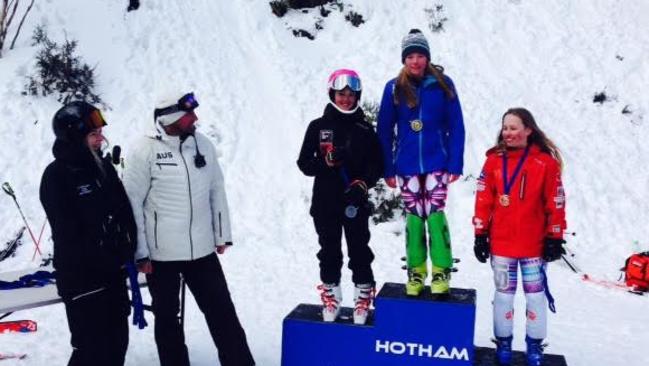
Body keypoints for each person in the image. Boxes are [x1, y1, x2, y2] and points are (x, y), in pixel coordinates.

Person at [122, 91, 255, 366]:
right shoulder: (143, 149)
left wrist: (222, 235)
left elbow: (217, 190)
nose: (195, 118)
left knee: (222, 312)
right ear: (171, 118)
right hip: (161, 256)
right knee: (168, 318)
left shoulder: (202, 144)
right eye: (189, 115)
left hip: (203, 249)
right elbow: (132, 203)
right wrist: (141, 253)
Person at [40, 101, 137, 366]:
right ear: (74, 138)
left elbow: (123, 213)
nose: (101, 139)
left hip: (112, 276)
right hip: (83, 279)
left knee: (117, 344)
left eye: (100, 133)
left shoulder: (103, 168)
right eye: (94, 134)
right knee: (91, 350)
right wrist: (105, 251)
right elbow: (69, 233)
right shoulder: (57, 176)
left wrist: (128, 247)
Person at [472, 108, 567, 366]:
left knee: (535, 296)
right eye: (505, 128)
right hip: (502, 243)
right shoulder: (493, 161)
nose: (508, 133)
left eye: (514, 128)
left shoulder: (545, 163)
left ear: (528, 130)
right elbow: (483, 199)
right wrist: (480, 233)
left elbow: (556, 202)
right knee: (504, 295)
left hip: (533, 245)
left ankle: (534, 346)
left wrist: (555, 236)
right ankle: (503, 344)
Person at [377, 29, 465, 296]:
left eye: (420, 55)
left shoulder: (443, 84)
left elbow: (457, 125)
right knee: (415, 217)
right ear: (404, 59)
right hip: (406, 166)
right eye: (410, 56)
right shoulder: (393, 87)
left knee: (435, 214)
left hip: (437, 162)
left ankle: (441, 269)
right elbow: (384, 130)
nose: (415, 61)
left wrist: (455, 162)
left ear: (427, 57)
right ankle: (416, 271)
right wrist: (388, 167)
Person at [297, 69, 383, 324]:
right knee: (329, 251)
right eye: (340, 94)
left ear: (357, 96)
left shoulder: (365, 129)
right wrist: (325, 162)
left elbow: (376, 166)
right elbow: (304, 164)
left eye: (350, 94)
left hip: (354, 202)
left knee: (359, 250)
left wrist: (363, 184)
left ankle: (362, 297)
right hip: (325, 202)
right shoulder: (318, 126)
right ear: (331, 94)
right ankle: (331, 295)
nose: (346, 99)